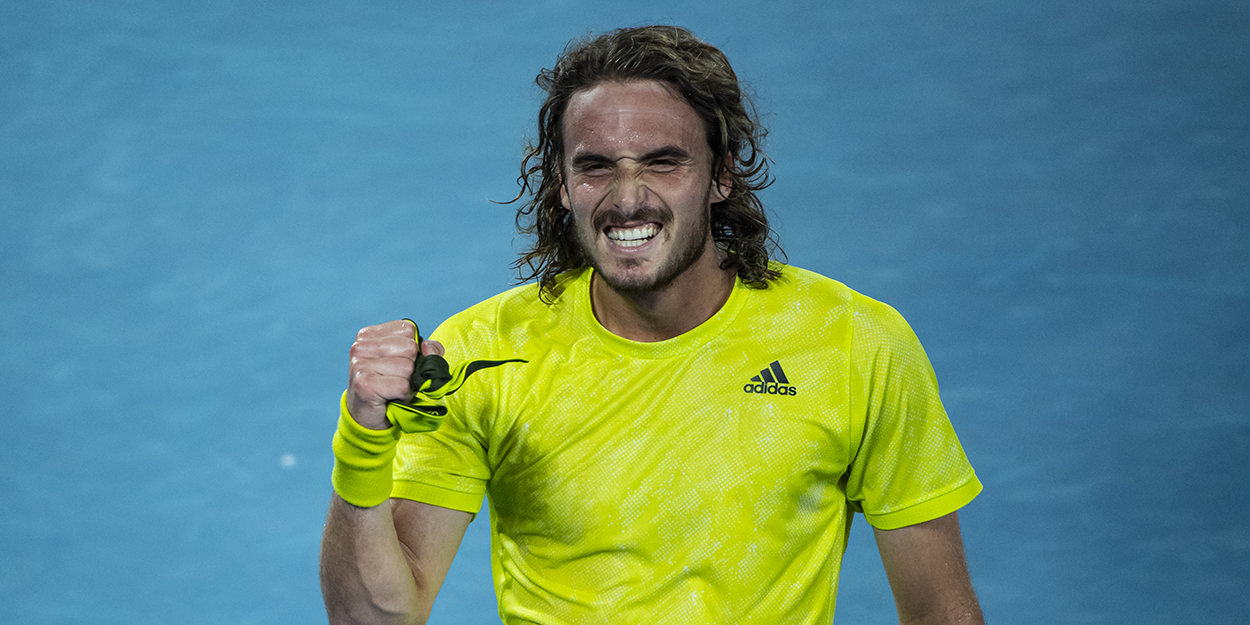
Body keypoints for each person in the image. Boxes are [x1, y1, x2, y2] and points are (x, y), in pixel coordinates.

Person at [320, 25, 984, 625]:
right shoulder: (482, 352)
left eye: (663, 161)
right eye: (596, 165)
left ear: (721, 175)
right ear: (561, 184)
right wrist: (364, 436)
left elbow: (941, 612)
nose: (628, 196)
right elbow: (374, 621)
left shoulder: (856, 342)